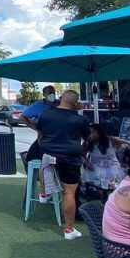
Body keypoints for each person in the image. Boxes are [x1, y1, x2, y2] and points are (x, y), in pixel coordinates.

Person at [36, 89, 90, 239]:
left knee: (44, 159)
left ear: (61, 98)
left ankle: (44, 191)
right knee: (69, 193)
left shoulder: (46, 114)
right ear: (76, 103)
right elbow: (88, 138)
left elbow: (40, 135)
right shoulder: (80, 120)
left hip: (48, 154)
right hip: (70, 157)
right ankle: (69, 230)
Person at [82, 123, 123, 200]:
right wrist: (86, 162)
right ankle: (103, 200)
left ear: (99, 132)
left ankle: (113, 201)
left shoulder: (110, 140)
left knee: (113, 187)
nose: (91, 134)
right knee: (98, 183)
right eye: (89, 132)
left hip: (113, 166)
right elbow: (81, 155)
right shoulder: (87, 143)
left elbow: (127, 143)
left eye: (93, 132)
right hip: (96, 167)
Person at [22, 85, 58, 162]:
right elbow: (23, 117)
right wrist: (36, 129)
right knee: (31, 157)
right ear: (44, 94)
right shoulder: (38, 106)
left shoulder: (59, 104)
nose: (52, 94)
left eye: (53, 92)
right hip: (44, 138)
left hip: (58, 138)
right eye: (49, 93)